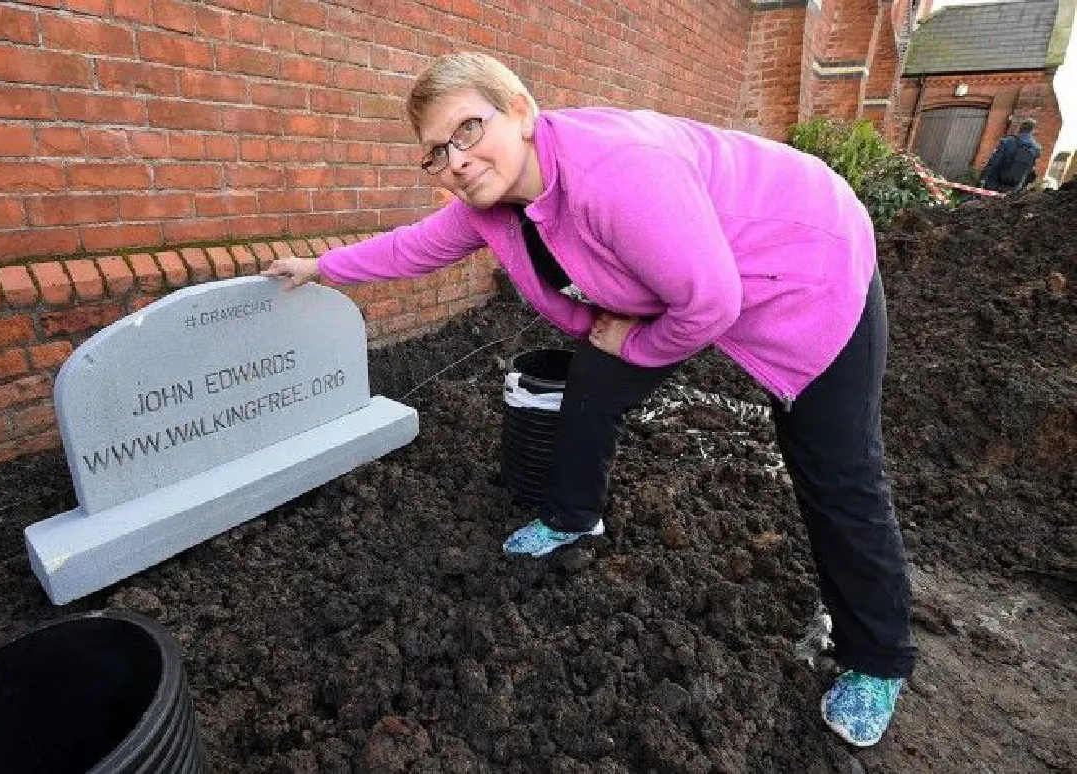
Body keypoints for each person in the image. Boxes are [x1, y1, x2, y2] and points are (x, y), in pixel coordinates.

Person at [263, 52, 915, 748]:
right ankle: (575, 516)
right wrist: (320, 266)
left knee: (834, 469)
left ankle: (877, 661)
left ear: (521, 111)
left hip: (807, 265)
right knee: (590, 386)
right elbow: (413, 248)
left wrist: (634, 343)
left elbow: (712, 302)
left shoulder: (615, 174)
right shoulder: (495, 204)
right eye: (434, 152)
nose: (454, 160)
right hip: (689, 286)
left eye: (467, 129)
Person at [979, 118, 1042, 193]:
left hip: (993, 183)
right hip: (1014, 188)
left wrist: (983, 177)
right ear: (1032, 131)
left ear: (1020, 128)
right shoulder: (1036, 149)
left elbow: (994, 161)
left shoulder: (1007, 141)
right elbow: (1030, 170)